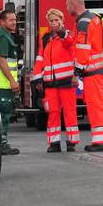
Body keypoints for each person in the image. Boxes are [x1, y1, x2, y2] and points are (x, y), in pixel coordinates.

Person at [66, 0, 103, 152]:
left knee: (95, 104)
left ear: (74, 4)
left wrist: (76, 72)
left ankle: (101, 142)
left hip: (92, 70)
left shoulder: (84, 22)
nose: (66, 8)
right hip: (96, 69)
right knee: (99, 104)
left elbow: (83, 49)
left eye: (67, 4)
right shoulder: (91, 18)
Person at [31, 8, 79, 153]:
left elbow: (70, 44)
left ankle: (71, 142)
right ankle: (54, 143)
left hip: (66, 81)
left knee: (70, 112)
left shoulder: (67, 35)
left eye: (57, 20)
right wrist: (37, 78)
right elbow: (40, 59)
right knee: (53, 113)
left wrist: (62, 31)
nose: (54, 23)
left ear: (62, 21)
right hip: (50, 83)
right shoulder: (45, 38)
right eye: (51, 21)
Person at [0, 9, 21, 155]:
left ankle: (1, 143)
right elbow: (2, 62)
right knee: (4, 114)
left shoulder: (6, 36)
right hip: (2, 84)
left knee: (5, 114)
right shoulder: (3, 37)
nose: (14, 22)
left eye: (15, 20)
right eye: (11, 20)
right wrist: (12, 81)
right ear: (2, 22)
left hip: (3, 84)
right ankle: (2, 144)